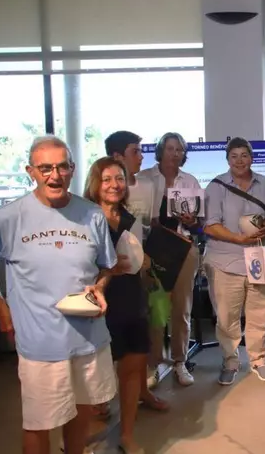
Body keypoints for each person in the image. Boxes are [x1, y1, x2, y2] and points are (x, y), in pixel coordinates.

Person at [0, 136, 118, 454]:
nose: (54, 176)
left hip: (89, 337)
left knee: (82, 410)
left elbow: (107, 266)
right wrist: (2, 308)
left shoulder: (92, 214)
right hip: (40, 342)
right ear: (31, 171)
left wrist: (99, 287)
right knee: (39, 422)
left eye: (62, 167)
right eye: (45, 168)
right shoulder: (9, 217)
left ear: (73, 169)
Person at [84, 157, 168, 454]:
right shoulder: (83, 219)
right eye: (107, 179)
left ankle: (127, 434)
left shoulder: (130, 218)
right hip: (97, 302)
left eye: (119, 178)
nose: (114, 185)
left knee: (132, 368)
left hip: (131, 298)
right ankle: (80, 439)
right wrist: (106, 271)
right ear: (95, 183)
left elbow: (136, 256)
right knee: (90, 375)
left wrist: (142, 263)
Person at [203, 137, 265, 385]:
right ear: (227, 159)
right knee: (227, 317)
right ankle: (230, 361)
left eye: (244, 155)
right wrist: (238, 238)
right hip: (226, 262)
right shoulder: (216, 187)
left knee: (259, 312)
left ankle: (259, 359)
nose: (239, 161)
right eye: (234, 156)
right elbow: (210, 225)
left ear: (252, 158)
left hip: (260, 259)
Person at [138, 132, 201, 386]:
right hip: (152, 249)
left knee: (182, 308)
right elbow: (136, 215)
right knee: (156, 308)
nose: (175, 153)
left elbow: (199, 222)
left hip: (183, 247)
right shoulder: (144, 179)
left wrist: (193, 220)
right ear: (161, 151)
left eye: (179, 149)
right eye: (170, 148)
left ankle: (179, 361)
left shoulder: (190, 180)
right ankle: (153, 364)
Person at [104, 130, 160, 389]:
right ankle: (103, 397)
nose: (141, 156)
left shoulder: (133, 202)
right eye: (135, 151)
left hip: (136, 277)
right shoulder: (94, 211)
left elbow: (146, 229)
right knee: (112, 342)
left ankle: (142, 390)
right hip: (108, 285)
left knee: (140, 335)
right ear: (117, 156)